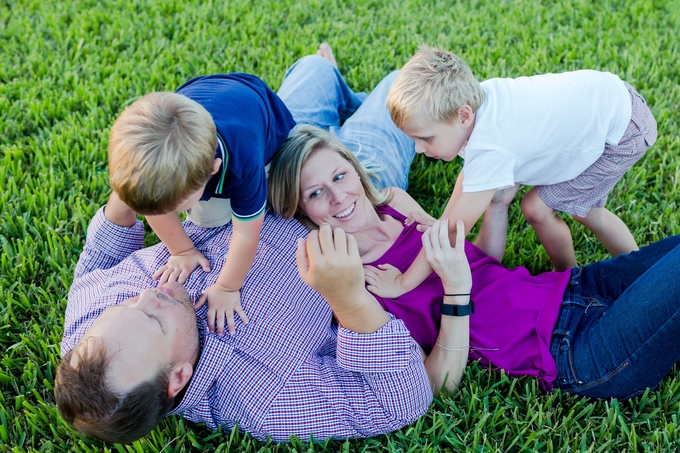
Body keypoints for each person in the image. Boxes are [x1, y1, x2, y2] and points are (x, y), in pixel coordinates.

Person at [54, 45, 430, 445]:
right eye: (154, 318)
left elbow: (100, 258)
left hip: (253, 162)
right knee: (402, 87)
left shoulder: (87, 337)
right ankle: (357, 103)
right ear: (178, 377)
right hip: (344, 205)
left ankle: (333, 82)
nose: (148, 294)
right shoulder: (266, 402)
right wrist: (349, 300)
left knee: (312, 69)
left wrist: (141, 180)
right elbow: (401, 401)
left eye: (125, 304)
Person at [267, 122, 680, 403]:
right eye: (315, 193)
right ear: (299, 209)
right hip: (574, 352)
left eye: (339, 177)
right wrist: (454, 291)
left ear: (355, 171)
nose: (338, 197)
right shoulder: (351, 280)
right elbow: (435, 384)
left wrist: (498, 207)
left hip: (574, 289)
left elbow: (481, 263)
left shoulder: (395, 205)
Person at [369, 45, 658, 300]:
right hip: (611, 102)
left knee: (538, 209)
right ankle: (642, 270)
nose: (419, 149)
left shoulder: (490, 145)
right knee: (587, 210)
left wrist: (403, 283)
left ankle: (571, 278)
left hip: (622, 131)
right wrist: (441, 221)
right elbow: (467, 186)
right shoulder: (474, 105)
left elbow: (455, 230)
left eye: (426, 138)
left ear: (463, 116)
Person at [108, 72, 295, 335]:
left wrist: (228, 287)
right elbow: (156, 210)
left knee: (275, 196)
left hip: (260, 110)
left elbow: (247, 234)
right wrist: (182, 250)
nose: (172, 211)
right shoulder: (152, 162)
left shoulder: (243, 164)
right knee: (203, 213)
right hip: (202, 95)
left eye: (178, 203)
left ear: (213, 169)